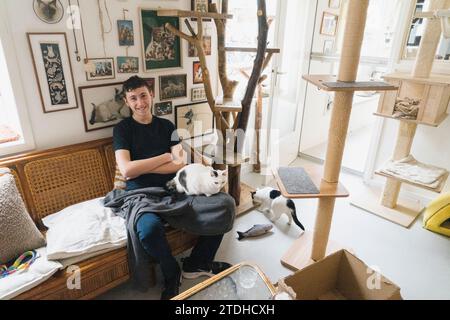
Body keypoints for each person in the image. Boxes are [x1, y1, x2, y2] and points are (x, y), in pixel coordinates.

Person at [113, 76, 233, 300]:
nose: (140, 102)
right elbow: (128, 171)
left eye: (143, 96)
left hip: (177, 188)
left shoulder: (166, 126)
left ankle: (197, 263)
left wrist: (145, 167)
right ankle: (171, 271)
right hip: (141, 195)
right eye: (133, 98)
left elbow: (180, 164)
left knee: (225, 204)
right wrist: (164, 157)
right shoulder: (122, 130)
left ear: (152, 95)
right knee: (148, 231)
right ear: (127, 102)